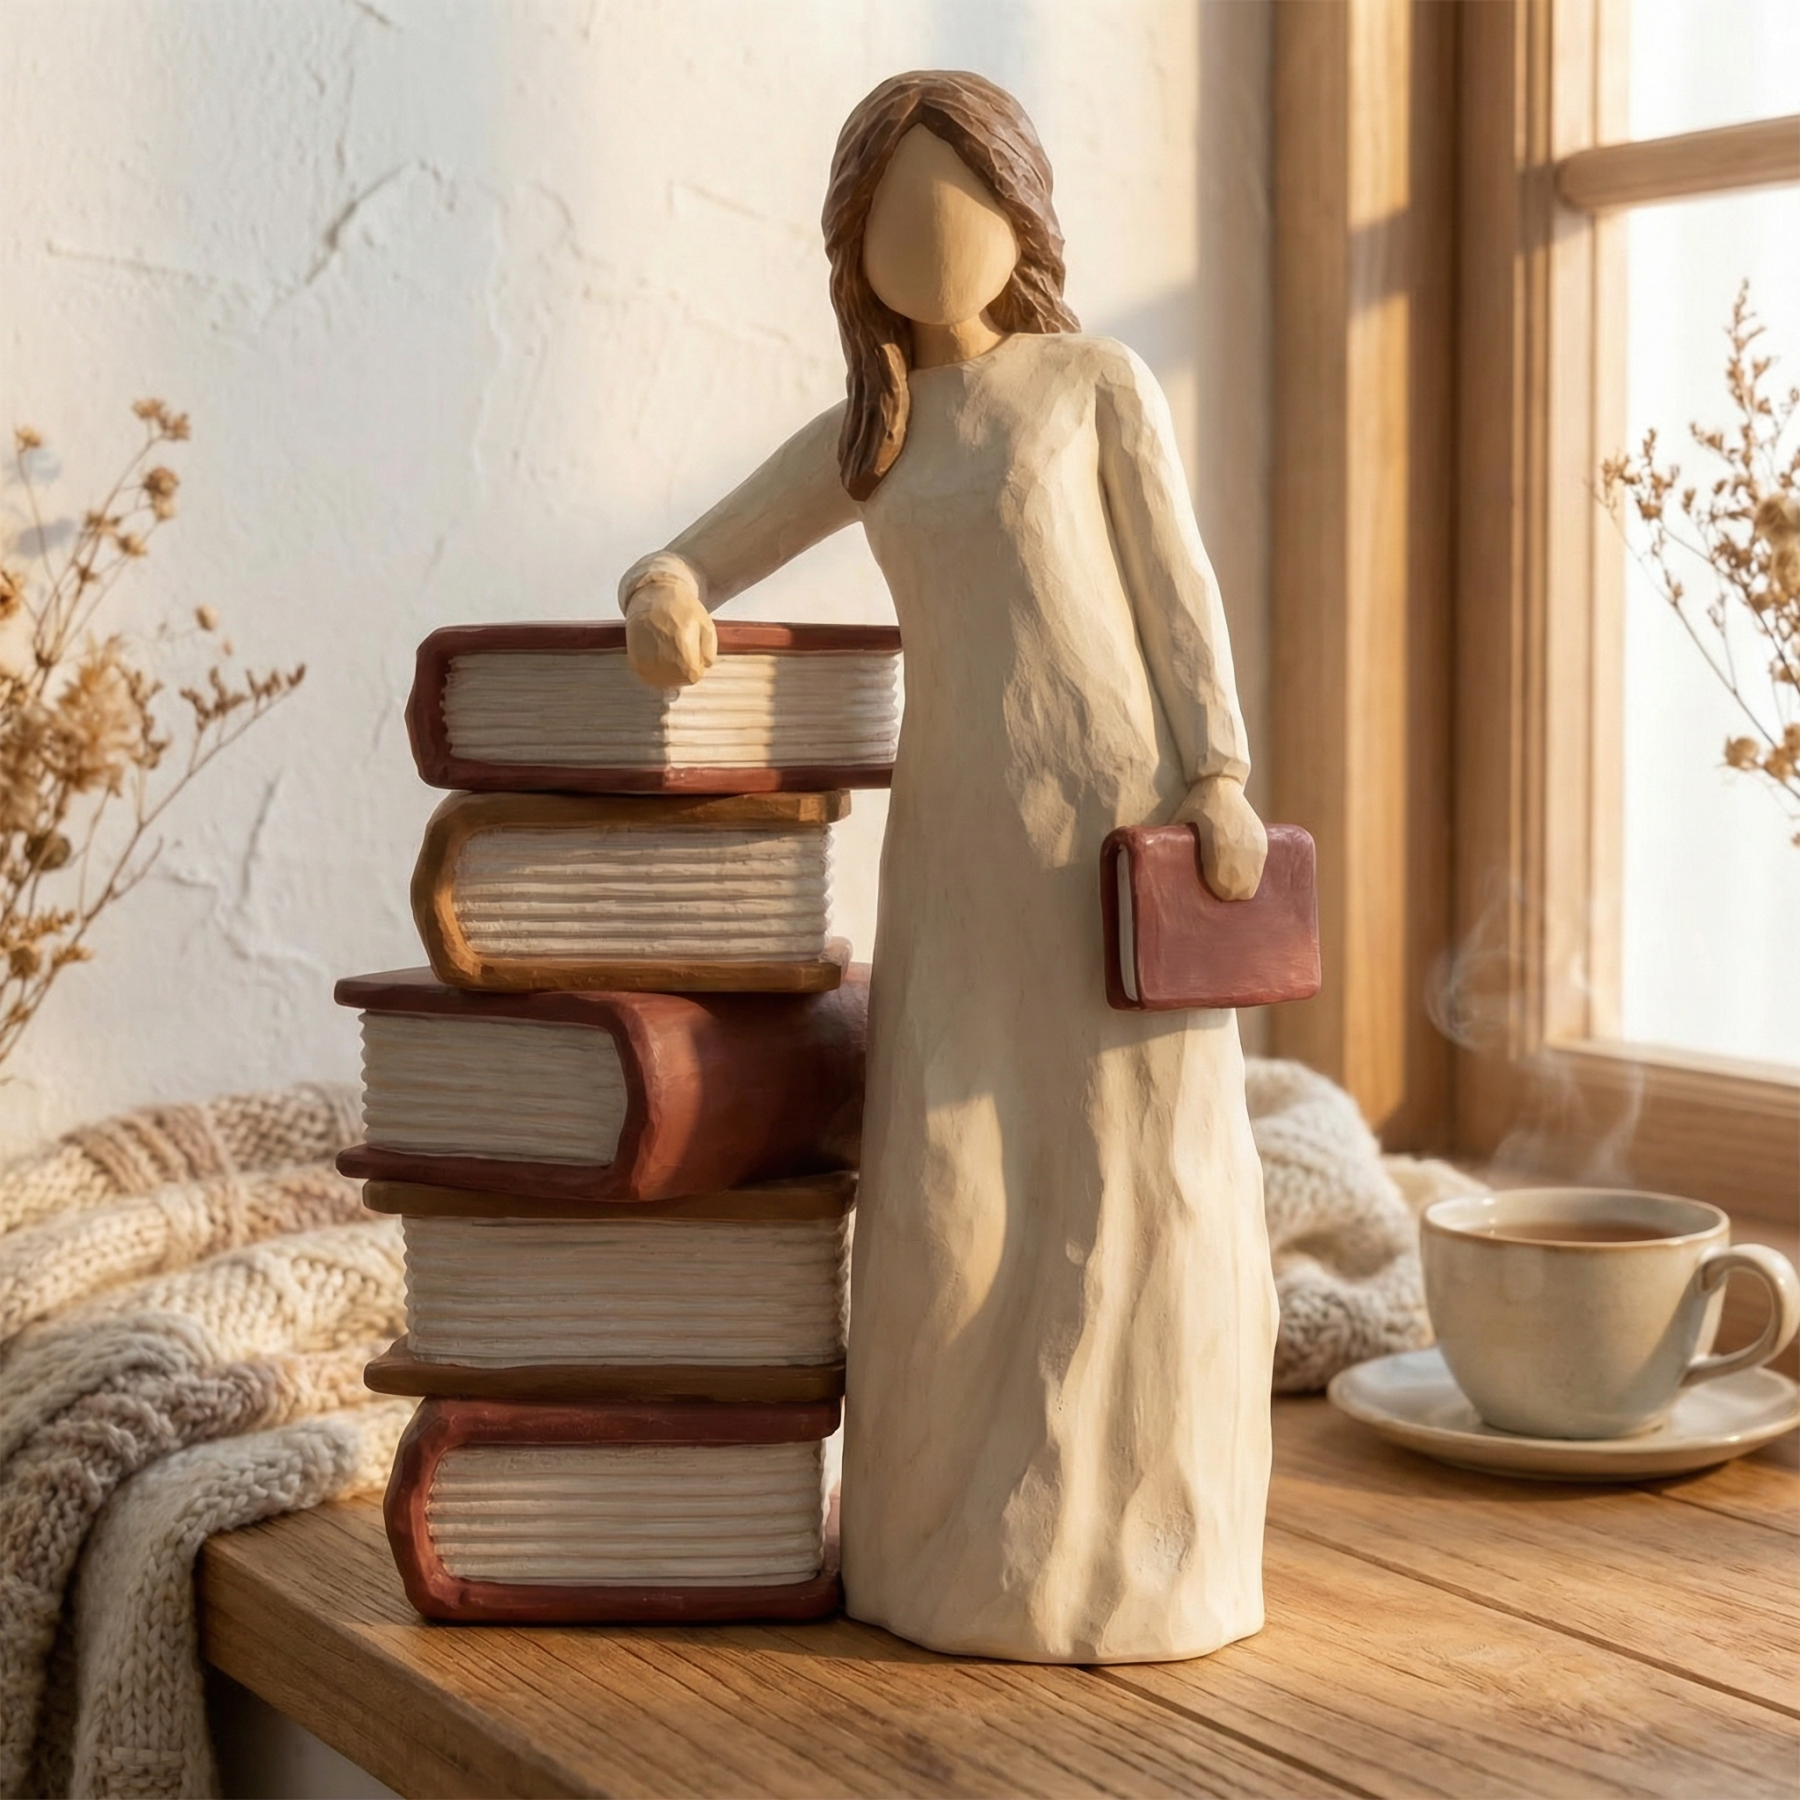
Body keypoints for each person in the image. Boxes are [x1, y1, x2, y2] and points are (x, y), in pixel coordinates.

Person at [617, 69, 1276, 1663]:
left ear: (1019, 207)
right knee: (957, 1185)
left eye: (957, 200)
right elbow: (702, 546)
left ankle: (1144, 1544)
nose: (930, 239)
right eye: (892, 217)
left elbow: (1178, 597)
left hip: (1120, 846)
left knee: (1133, 1170)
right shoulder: (873, 434)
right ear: (853, 252)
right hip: (961, 853)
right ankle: (936, 1544)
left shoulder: (1093, 384)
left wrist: (1221, 774)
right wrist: (663, 589)